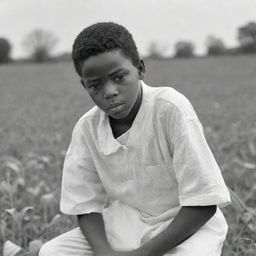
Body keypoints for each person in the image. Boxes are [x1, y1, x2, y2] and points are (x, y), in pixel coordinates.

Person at [39, 22, 231, 256]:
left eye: (119, 77)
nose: (109, 91)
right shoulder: (87, 128)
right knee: (51, 251)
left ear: (139, 68)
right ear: (84, 85)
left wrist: (140, 255)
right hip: (125, 225)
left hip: (187, 228)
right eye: (95, 85)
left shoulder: (170, 108)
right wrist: (103, 251)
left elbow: (204, 202)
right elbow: (85, 204)